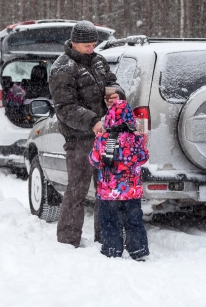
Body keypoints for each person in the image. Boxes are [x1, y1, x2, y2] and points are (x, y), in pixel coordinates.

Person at [49, 20, 124, 248]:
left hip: (106, 135)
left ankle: (107, 236)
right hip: (79, 138)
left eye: (93, 45)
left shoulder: (99, 61)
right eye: (86, 46)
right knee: (77, 189)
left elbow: (113, 82)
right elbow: (65, 108)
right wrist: (93, 121)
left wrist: (115, 94)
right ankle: (68, 240)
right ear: (74, 43)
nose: (91, 50)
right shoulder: (62, 68)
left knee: (107, 186)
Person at [89, 100, 150, 260]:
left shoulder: (103, 140)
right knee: (134, 221)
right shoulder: (136, 139)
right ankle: (138, 251)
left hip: (109, 193)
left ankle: (112, 250)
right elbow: (143, 158)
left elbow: (94, 161)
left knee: (110, 222)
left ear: (109, 118)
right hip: (132, 192)